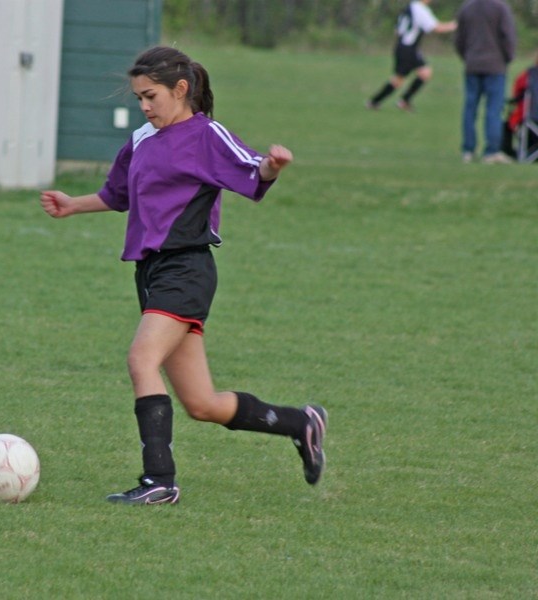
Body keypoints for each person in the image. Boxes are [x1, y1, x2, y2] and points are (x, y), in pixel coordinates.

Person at [40, 46, 327, 505]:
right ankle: (301, 423)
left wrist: (273, 165)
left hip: (187, 268)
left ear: (181, 89)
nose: (144, 106)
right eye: (138, 98)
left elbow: (253, 172)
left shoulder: (206, 135)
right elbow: (117, 194)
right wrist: (74, 204)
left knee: (140, 360)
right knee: (202, 403)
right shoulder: (140, 140)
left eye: (151, 96)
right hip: (151, 272)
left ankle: (159, 482)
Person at [455, 0, 517, 164]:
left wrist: (467, 57)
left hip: (472, 65)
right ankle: (492, 151)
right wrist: (508, 58)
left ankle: (468, 150)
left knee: (470, 108)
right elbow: (508, 36)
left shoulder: (466, 8)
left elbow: (459, 39)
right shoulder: (500, 8)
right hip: (495, 66)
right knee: (494, 109)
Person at [367, 0, 457, 112]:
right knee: (400, 79)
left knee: (423, 73)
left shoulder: (410, 6)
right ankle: (377, 102)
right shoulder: (419, 9)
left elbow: (397, 30)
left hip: (406, 47)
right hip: (407, 48)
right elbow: (437, 28)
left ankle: (398, 101)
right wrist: (456, 25)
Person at [501, 51, 538, 158]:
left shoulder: (527, 76)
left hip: (531, 119)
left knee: (508, 120)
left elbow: (517, 95)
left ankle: (519, 153)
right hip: (532, 123)